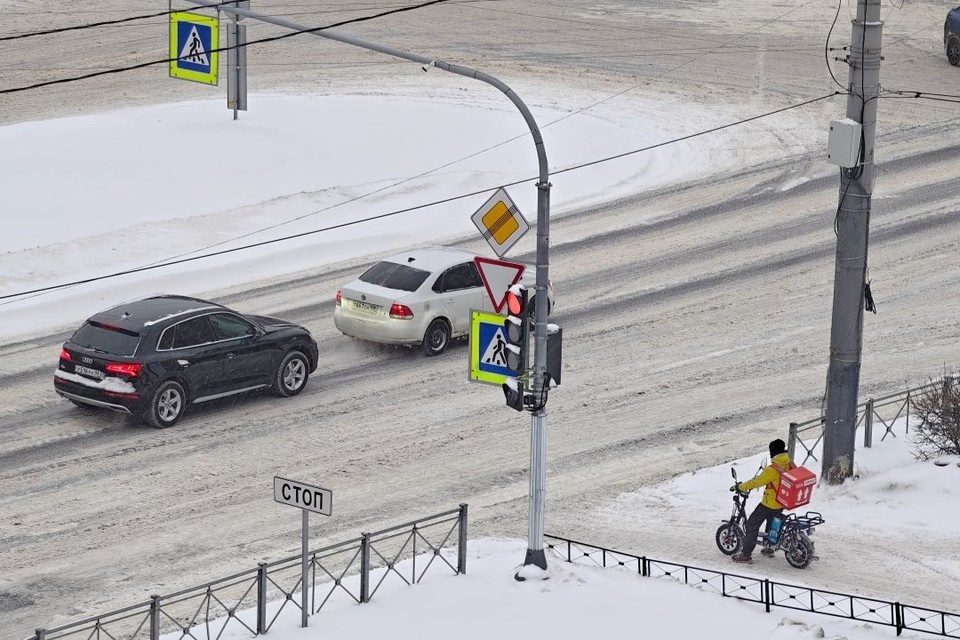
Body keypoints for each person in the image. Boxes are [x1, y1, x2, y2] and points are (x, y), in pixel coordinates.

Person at [730, 438, 793, 563]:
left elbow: (756, 482)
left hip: (769, 503)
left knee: (751, 525)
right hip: (782, 501)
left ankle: (746, 554)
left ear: (772, 452)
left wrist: (740, 486)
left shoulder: (773, 469)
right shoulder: (789, 463)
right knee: (772, 524)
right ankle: (769, 547)